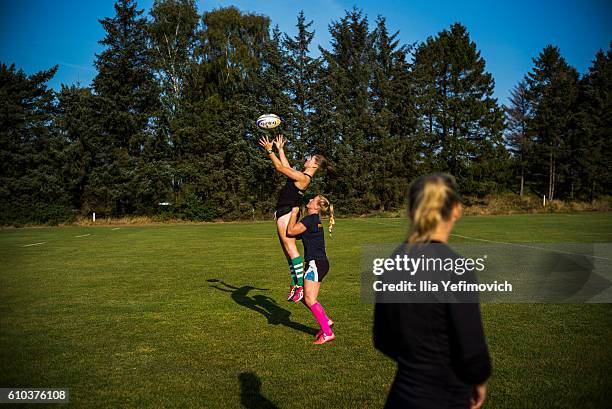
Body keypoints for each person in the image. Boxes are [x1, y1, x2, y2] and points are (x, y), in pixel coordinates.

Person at [373, 173, 491, 409]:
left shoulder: (394, 261)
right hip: (445, 396)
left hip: (402, 396)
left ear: (410, 211)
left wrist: (416, 362)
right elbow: (471, 348)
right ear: (457, 210)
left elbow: (382, 338)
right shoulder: (456, 268)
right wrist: (478, 379)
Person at [258, 135, 330, 303]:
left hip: (288, 211)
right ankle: (294, 283)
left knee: (291, 249)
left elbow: (279, 167)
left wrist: (270, 150)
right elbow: (286, 167)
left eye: (310, 158)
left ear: (315, 165)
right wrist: (281, 149)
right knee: (286, 251)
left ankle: (299, 286)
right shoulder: (300, 175)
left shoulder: (304, 178)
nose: (306, 159)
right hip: (284, 210)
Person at [286, 195, 336, 344]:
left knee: (309, 298)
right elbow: (298, 236)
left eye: (313, 200)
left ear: (317, 207)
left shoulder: (310, 219)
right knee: (305, 297)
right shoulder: (313, 221)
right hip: (318, 263)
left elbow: (291, 231)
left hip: (316, 263)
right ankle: (326, 321)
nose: (309, 200)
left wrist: (294, 213)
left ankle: (327, 333)